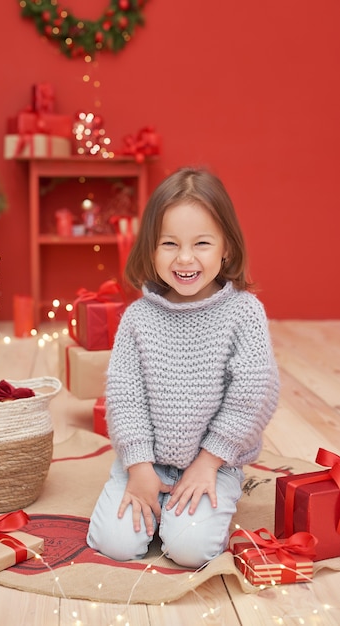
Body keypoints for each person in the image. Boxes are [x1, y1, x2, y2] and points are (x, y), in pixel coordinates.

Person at [86, 166, 280, 568]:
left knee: (190, 550)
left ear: (226, 247)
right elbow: (125, 397)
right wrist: (138, 468)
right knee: (115, 544)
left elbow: (252, 396)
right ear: (150, 250)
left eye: (202, 243)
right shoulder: (138, 319)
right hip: (145, 460)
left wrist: (209, 462)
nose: (185, 258)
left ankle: (197, 509)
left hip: (212, 461)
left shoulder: (244, 314)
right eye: (169, 243)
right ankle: (149, 499)